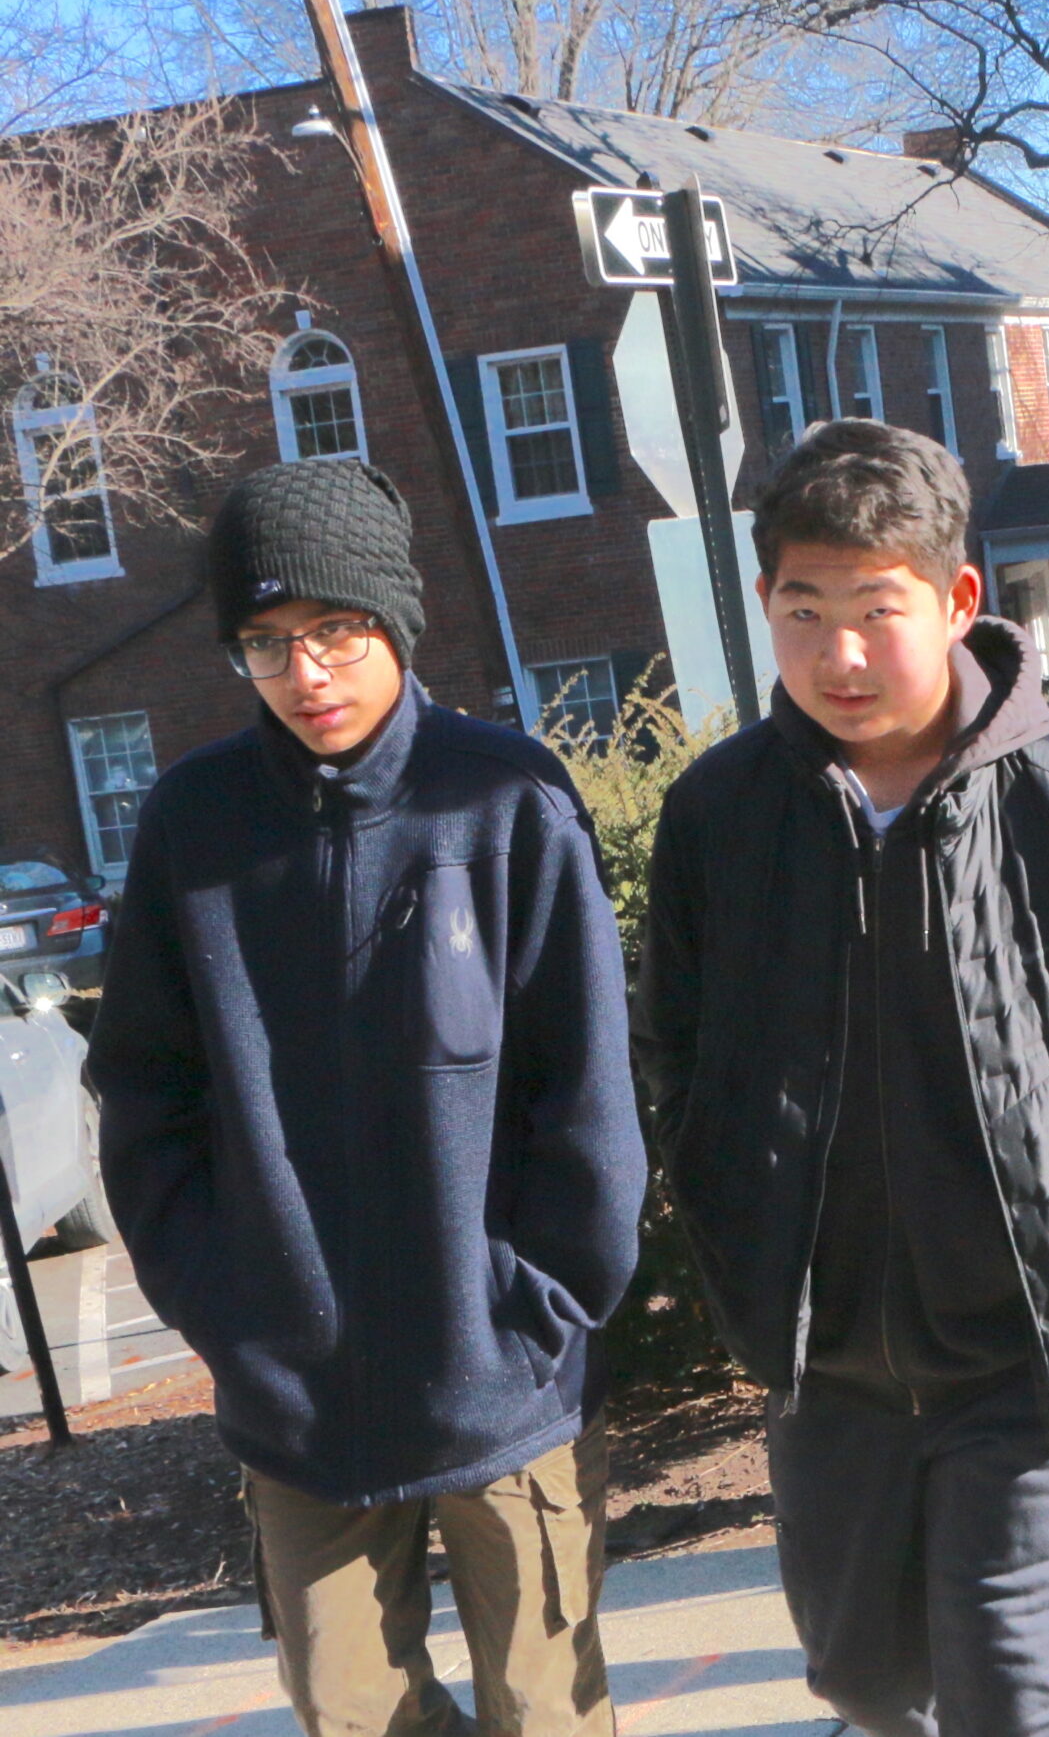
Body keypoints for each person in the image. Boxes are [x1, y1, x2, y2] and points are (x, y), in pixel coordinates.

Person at [636, 420, 1049, 1737]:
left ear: (953, 600)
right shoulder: (721, 815)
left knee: (1024, 1691)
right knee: (867, 1682)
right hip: (831, 1362)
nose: (839, 653)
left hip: (1036, 1349)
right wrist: (729, 1219)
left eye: (876, 610)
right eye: (802, 609)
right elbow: (674, 1046)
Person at [89, 459, 645, 1737]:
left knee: (545, 1710)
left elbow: (590, 1087)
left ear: (396, 621)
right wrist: (226, 1308)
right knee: (348, 1710)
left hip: (506, 1381)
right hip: (298, 1400)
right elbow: (144, 1094)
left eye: (337, 629)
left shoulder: (505, 796)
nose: (308, 673)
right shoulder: (193, 822)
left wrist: (541, 1306)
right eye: (268, 643)